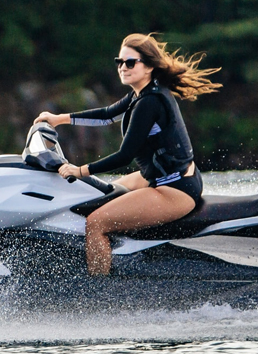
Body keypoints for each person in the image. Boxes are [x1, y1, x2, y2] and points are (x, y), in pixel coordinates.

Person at [33, 33, 221, 275]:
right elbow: (107, 115)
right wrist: (59, 119)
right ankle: (114, 257)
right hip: (162, 177)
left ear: (149, 66)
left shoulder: (149, 103)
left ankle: (99, 287)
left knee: (96, 223)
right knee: (102, 196)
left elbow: (125, 155)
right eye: (119, 62)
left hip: (175, 188)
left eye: (130, 62)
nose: (123, 67)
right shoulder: (141, 93)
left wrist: (79, 170)